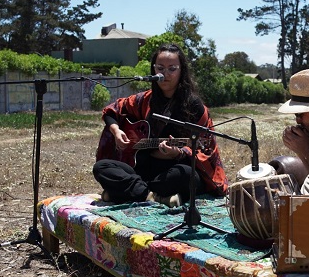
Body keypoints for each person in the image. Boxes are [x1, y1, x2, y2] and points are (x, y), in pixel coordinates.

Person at [93, 43, 228, 205]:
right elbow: (112, 110)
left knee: (185, 175)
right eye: (160, 68)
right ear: (153, 70)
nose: (165, 74)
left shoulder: (195, 106)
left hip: (173, 172)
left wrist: (178, 153)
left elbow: (205, 148)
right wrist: (116, 131)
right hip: (144, 169)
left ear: (181, 71)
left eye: (172, 69)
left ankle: (127, 192)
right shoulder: (145, 100)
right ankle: (152, 196)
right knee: (101, 167)